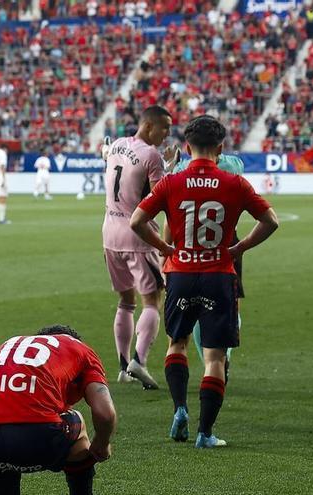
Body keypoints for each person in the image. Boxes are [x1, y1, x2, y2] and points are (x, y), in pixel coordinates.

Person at [129, 115, 279, 448]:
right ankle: (205, 433)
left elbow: (137, 221)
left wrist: (165, 248)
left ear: (186, 147)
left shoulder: (171, 182)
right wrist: (240, 246)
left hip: (181, 274)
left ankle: (180, 408)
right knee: (214, 358)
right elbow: (270, 221)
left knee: (177, 344)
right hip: (218, 275)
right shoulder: (234, 183)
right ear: (221, 148)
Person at [0, 325, 117, 495]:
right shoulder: (80, 349)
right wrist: (102, 444)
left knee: (1, 460)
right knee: (76, 420)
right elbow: (105, 413)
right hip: (36, 436)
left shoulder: (7, 346)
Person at [101, 105, 178, 389]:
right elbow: (161, 198)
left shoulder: (118, 144)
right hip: (138, 236)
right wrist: (169, 170)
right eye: (165, 128)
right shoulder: (151, 155)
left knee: (125, 301)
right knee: (152, 300)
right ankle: (139, 361)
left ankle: (122, 367)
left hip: (109, 233)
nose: (167, 134)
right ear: (148, 126)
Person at [170, 154, 246, 379]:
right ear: (219, 145)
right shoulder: (233, 164)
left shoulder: (183, 168)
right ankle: (224, 358)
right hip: (227, 243)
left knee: (194, 308)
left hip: (191, 245)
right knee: (231, 305)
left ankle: (209, 363)